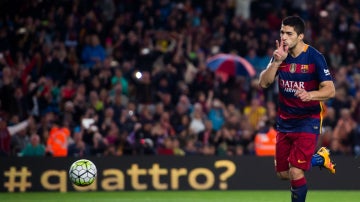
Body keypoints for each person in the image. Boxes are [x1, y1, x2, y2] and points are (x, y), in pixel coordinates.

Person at [258, 16, 336, 202]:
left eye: (289, 33)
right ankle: (320, 159)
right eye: (282, 32)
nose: (284, 37)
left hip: (308, 120)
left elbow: (330, 90)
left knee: (295, 170)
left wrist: (311, 95)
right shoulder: (280, 55)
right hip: (285, 121)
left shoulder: (315, 57)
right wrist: (276, 62)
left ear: (300, 36)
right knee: (283, 173)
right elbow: (264, 82)